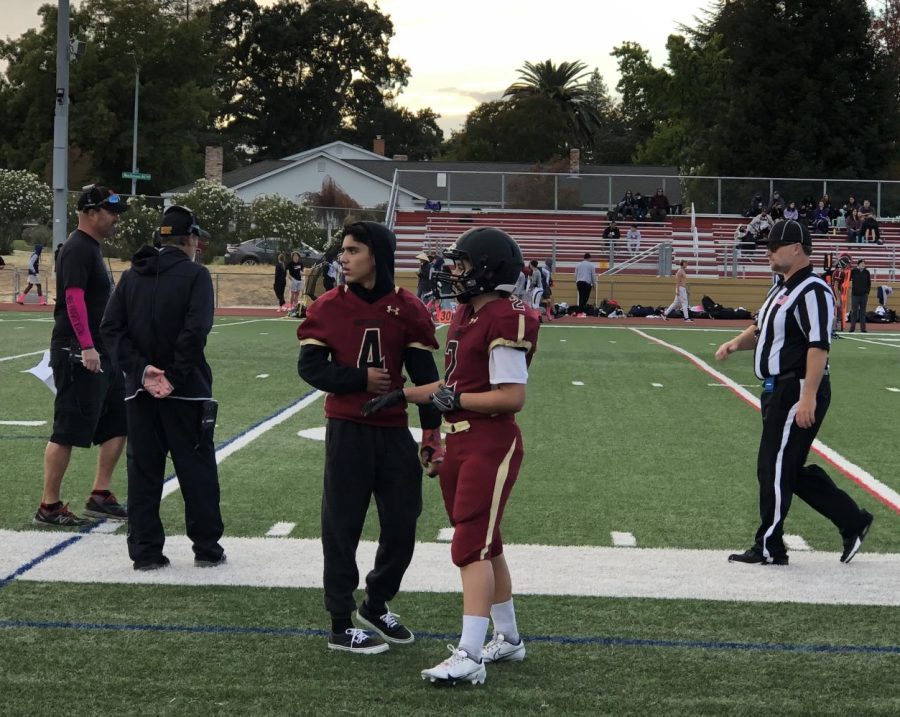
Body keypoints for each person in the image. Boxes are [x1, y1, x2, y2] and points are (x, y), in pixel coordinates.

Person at [363, 226, 540, 686]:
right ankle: (509, 640)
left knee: (468, 546)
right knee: (487, 543)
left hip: (490, 440)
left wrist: (453, 401)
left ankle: (470, 654)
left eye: (462, 265)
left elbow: (511, 396)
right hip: (460, 439)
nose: (454, 273)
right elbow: (451, 388)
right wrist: (404, 395)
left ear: (487, 270)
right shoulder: (468, 313)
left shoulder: (504, 317)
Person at [297, 221, 442, 655]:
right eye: (343, 250)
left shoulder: (409, 308)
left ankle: (375, 603)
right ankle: (340, 623)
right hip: (348, 431)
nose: (343, 258)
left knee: (402, 523)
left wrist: (433, 431)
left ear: (376, 255)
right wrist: (360, 378)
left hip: (394, 432)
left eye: (353, 250)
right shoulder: (327, 306)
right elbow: (311, 368)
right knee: (341, 526)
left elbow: (427, 377)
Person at [715, 219, 873, 566]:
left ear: (797, 249)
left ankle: (770, 546)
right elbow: (760, 329)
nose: (769, 252)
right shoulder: (781, 287)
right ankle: (853, 520)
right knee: (785, 467)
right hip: (777, 389)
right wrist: (735, 344)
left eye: (775, 246)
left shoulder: (814, 290)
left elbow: (819, 345)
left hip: (797, 386)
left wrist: (808, 396)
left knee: (771, 466)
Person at [100, 205, 225, 570]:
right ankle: (206, 547)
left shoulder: (130, 277)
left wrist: (142, 372)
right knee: (197, 469)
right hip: (186, 392)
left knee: (143, 472)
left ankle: (145, 551)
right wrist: (173, 375)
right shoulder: (195, 275)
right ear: (190, 239)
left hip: (139, 392)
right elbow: (195, 330)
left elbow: (111, 329)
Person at [35, 185, 129, 527]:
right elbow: (73, 300)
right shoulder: (77, 248)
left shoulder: (91, 249)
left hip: (102, 351)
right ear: (91, 212)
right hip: (78, 351)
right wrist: (86, 346)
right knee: (68, 428)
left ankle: (100, 494)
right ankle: (49, 504)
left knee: (119, 421)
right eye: (110, 211)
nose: (115, 217)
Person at [848, 259, 871, 333]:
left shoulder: (867, 272)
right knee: (854, 311)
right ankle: (852, 328)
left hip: (864, 295)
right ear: (858, 265)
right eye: (862, 263)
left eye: (864, 263)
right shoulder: (853, 271)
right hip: (855, 295)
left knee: (863, 312)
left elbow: (869, 283)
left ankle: (863, 328)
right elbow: (848, 279)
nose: (863, 265)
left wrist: (867, 292)